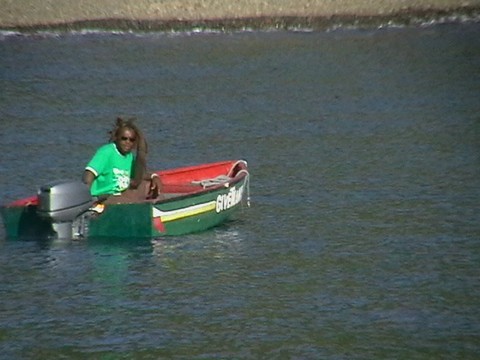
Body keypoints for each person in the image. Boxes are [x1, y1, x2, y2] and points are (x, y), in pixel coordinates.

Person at [83, 117, 161, 203]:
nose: (128, 142)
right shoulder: (106, 152)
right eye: (124, 138)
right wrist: (87, 200)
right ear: (117, 138)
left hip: (120, 195)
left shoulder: (129, 156)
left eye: (131, 140)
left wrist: (154, 176)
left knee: (146, 186)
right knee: (128, 200)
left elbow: (139, 174)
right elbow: (89, 175)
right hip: (104, 196)